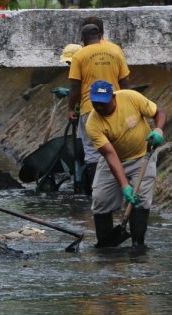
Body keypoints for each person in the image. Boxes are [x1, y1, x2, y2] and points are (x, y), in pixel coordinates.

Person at [85, 80, 166, 247]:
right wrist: (124, 186)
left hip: (142, 157)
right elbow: (110, 155)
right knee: (100, 199)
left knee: (140, 200)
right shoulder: (92, 124)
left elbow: (159, 112)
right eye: (95, 102)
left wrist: (158, 130)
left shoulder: (131, 98)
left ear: (113, 97)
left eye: (103, 102)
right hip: (113, 161)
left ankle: (138, 245)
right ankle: (106, 247)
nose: (99, 107)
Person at [68, 23, 130, 198]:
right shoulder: (115, 51)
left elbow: (75, 86)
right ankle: (121, 188)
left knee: (92, 151)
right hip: (115, 107)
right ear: (101, 36)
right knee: (117, 148)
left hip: (91, 108)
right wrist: (127, 104)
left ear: (83, 39)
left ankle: (97, 193)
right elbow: (125, 82)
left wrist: (71, 108)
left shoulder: (79, 55)